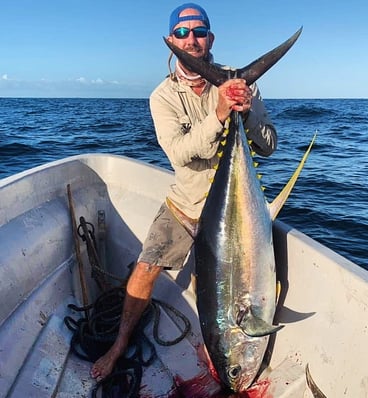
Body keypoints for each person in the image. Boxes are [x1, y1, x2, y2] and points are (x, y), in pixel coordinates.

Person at [91, 2, 277, 381]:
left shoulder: (239, 82)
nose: (190, 39)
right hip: (187, 205)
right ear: (172, 40)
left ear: (210, 38)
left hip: (238, 210)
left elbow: (269, 145)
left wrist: (247, 109)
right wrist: (221, 113)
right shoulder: (162, 96)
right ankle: (120, 342)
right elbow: (179, 152)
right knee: (146, 266)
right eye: (181, 32)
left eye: (198, 31)